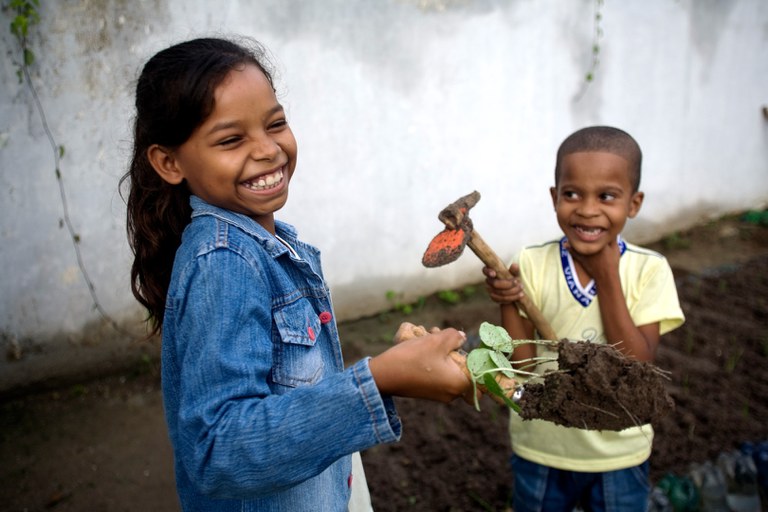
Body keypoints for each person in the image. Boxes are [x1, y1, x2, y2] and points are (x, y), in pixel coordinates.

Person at [120, 36, 472, 512]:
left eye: (275, 124)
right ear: (169, 162)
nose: (268, 149)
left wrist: (391, 369)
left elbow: (292, 393)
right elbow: (218, 450)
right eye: (231, 140)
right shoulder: (224, 262)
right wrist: (380, 379)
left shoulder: (269, 244)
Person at [483, 126, 685, 512]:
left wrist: (608, 277)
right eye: (572, 194)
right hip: (542, 445)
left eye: (606, 196)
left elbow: (637, 364)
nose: (587, 209)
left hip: (619, 452)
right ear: (554, 197)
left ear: (634, 203)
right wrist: (507, 302)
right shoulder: (531, 262)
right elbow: (521, 366)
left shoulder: (649, 270)